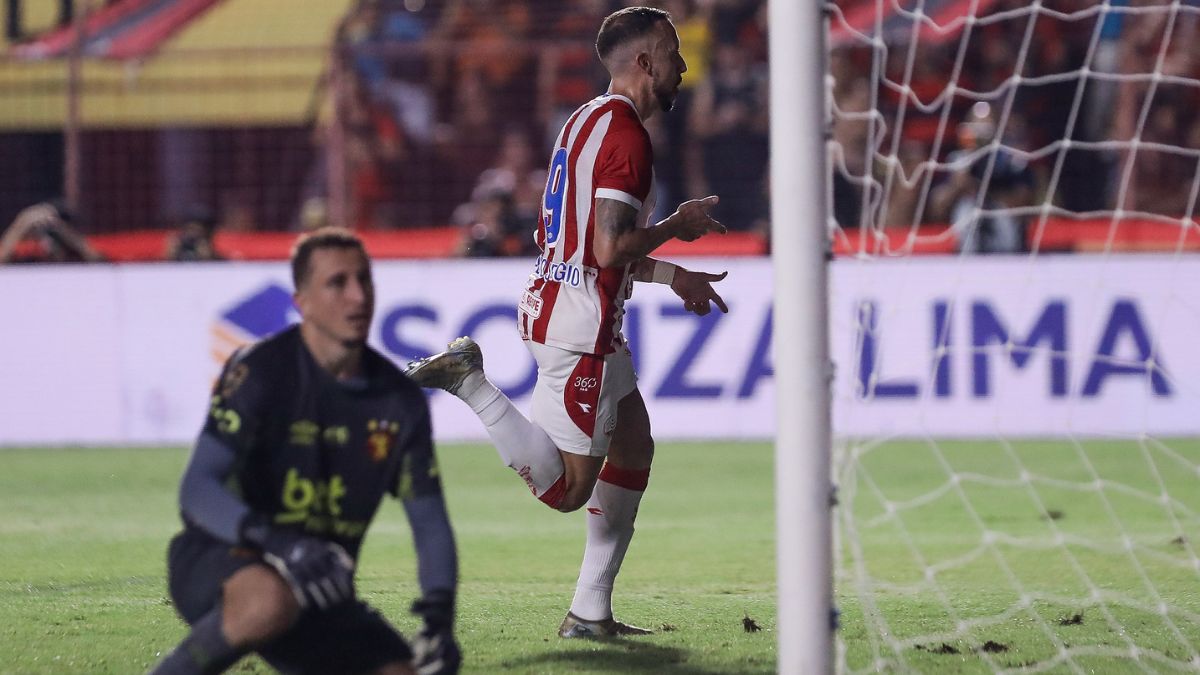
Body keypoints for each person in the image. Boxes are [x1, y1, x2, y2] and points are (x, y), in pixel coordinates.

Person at [405, 6, 727, 638]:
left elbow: (588, 246)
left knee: (632, 442)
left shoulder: (583, 120)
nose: (683, 64)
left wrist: (673, 276)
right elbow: (610, 248)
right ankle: (470, 382)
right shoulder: (629, 136)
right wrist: (678, 229)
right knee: (569, 489)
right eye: (673, 52)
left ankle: (591, 611)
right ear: (644, 61)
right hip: (582, 325)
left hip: (565, 299)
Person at [150, 227, 461, 675]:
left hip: (319, 584)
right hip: (222, 555)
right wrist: (279, 544)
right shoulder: (262, 373)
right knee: (268, 599)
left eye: (364, 280)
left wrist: (439, 619)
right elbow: (197, 489)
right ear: (302, 302)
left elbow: (429, 522)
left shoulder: (398, 401)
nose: (358, 297)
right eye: (338, 283)